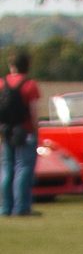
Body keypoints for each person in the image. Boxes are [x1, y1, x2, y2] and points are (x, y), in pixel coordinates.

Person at [0, 48, 41, 219]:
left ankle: (4, 207)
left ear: (11, 66)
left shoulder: (2, 83)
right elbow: (33, 112)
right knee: (23, 168)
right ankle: (21, 207)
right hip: (24, 130)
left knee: (6, 168)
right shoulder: (30, 85)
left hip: (5, 130)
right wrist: (36, 130)